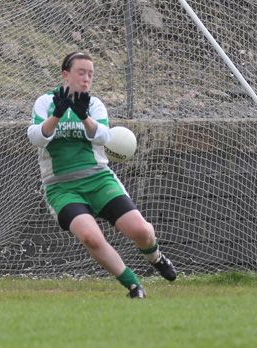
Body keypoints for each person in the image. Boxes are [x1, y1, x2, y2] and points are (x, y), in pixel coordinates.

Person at [27, 52, 177, 299]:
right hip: (61, 187)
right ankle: (133, 286)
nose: (86, 79)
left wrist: (83, 116)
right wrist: (57, 115)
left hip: (98, 178)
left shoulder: (93, 104)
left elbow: (104, 137)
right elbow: (36, 138)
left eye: (90, 74)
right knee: (90, 238)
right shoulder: (45, 102)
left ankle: (156, 257)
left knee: (142, 232)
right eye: (81, 73)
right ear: (66, 74)